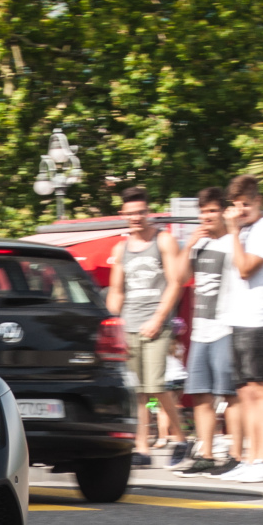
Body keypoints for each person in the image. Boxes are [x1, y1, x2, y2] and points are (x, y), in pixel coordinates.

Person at [107, 186, 185, 466]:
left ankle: (180, 438)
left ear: (148, 212)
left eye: (141, 212)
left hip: (157, 324)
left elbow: (176, 283)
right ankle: (142, 449)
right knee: (137, 390)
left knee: (157, 386)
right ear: (123, 215)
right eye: (131, 213)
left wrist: (158, 318)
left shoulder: (163, 241)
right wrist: (111, 323)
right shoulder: (121, 248)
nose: (136, 217)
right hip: (129, 325)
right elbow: (117, 290)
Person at [218, 175, 263, 483]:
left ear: (258, 200)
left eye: (245, 204)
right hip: (240, 317)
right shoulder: (244, 230)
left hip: (260, 317)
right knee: (245, 392)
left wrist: (234, 232)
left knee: (260, 390)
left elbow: (246, 269)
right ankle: (249, 458)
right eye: (236, 205)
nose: (240, 211)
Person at [174, 187, 244, 477]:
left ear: (223, 212)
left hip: (226, 327)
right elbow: (177, 278)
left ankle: (235, 455)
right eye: (203, 212)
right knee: (201, 395)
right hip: (200, 330)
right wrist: (190, 243)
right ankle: (204, 453)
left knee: (228, 394)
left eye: (213, 211)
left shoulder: (232, 243)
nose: (207, 217)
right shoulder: (199, 244)